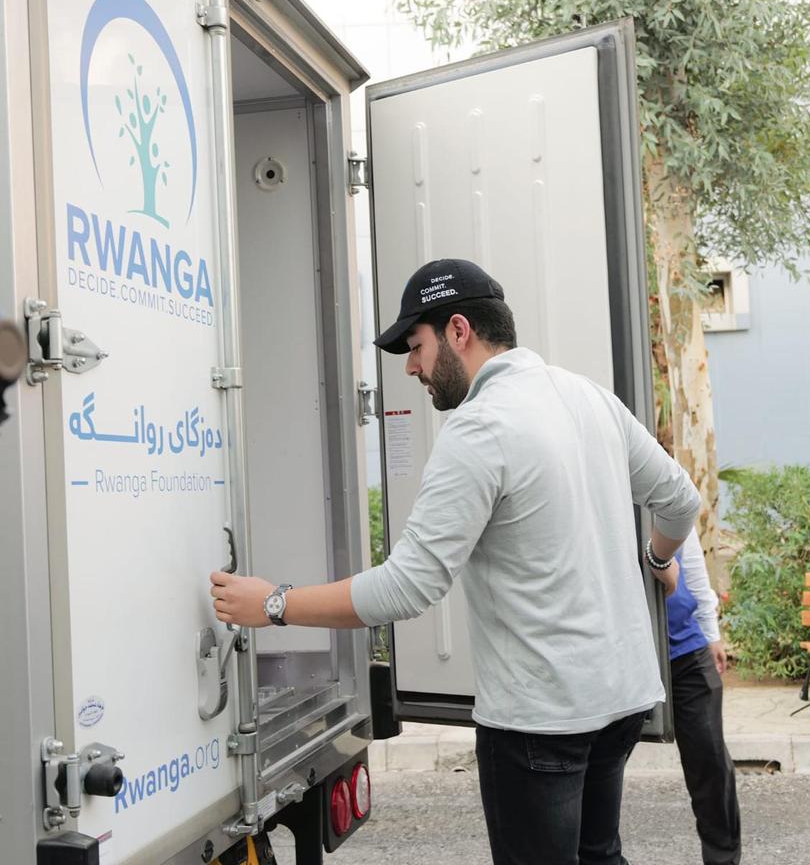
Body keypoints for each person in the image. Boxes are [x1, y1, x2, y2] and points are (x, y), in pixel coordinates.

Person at [210, 258, 701, 865]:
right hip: (620, 700)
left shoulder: (480, 428)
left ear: (459, 331)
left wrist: (274, 604)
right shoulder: (590, 399)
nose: (411, 366)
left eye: (416, 346)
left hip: (541, 721)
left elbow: (407, 587)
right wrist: (656, 557)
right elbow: (681, 501)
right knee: (601, 855)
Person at [667, 528, 741, 865]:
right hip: (623, 650)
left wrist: (710, 634)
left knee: (710, 761)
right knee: (600, 766)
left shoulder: (670, 495)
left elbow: (691, 557)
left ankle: (723, 860)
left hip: (686, 647)